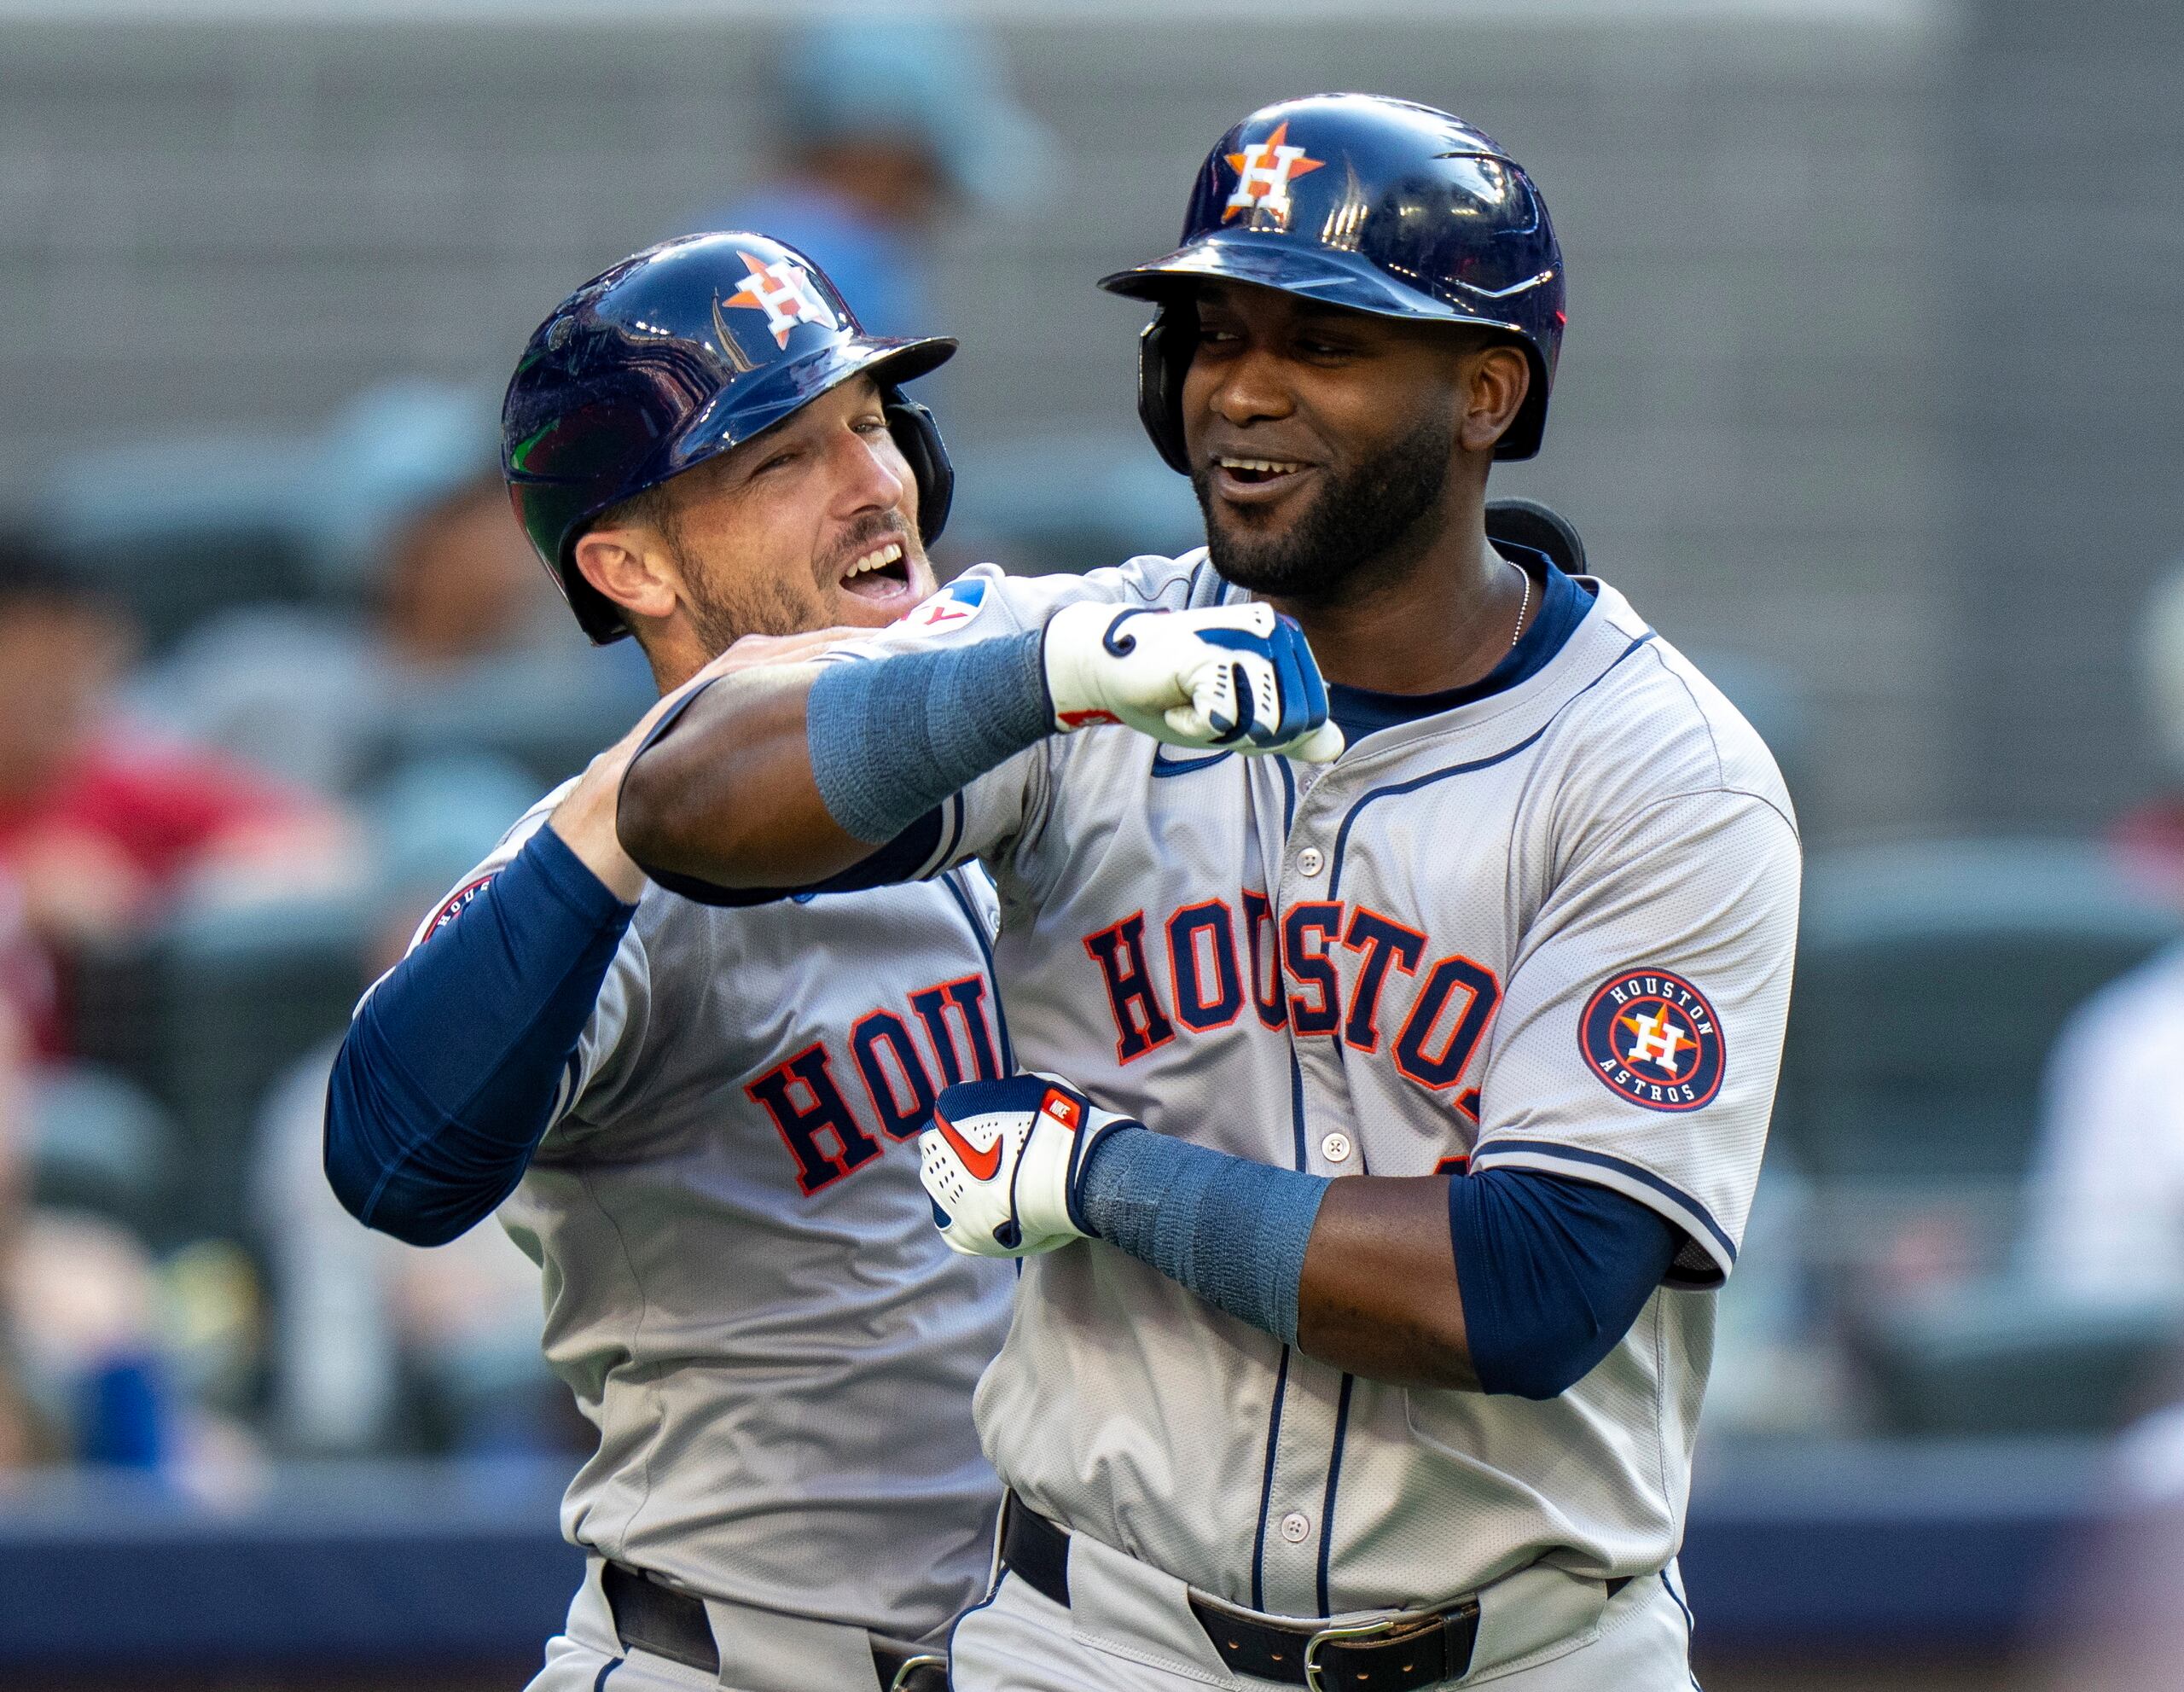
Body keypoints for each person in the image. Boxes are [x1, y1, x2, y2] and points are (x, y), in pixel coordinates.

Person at [619, 96, 1802, 1692]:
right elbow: (686, 807)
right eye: (1209, 334)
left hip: (1523, 1655)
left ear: (1485, 393)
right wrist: (1049, 678)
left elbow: (1532, 1283)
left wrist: (1103, 1179)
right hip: (1095, 1639)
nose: (1239, 387)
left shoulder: (1660, 772)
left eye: (1321, 340)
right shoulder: (1100, 650)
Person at [323, 234, 1023, 1692]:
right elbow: (391, 1157)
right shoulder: (612, 877)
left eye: (872, 426)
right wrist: (634, 797)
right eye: (782, 458)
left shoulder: (1025, 776)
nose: (877, 483)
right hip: (735, 1658)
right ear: (627, 560)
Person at [0, 541, 341, 1055]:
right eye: (30, 669)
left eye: (75, 665)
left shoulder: (115, 779)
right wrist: (21, 897)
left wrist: (151, 900)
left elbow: (320, 838)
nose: (57, 694)